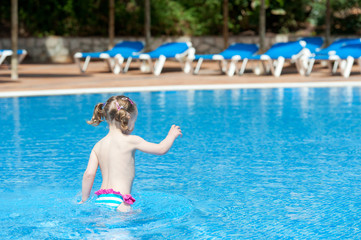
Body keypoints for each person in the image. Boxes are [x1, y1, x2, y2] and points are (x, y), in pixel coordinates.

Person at [79, 95, 182, 212]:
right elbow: (161, 149)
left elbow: (88, 174)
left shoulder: (98, 145)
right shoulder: (131, 140)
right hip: (121, 201)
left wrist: (84, 199)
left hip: (101, 200)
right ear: (127, 118)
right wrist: (171, 136)